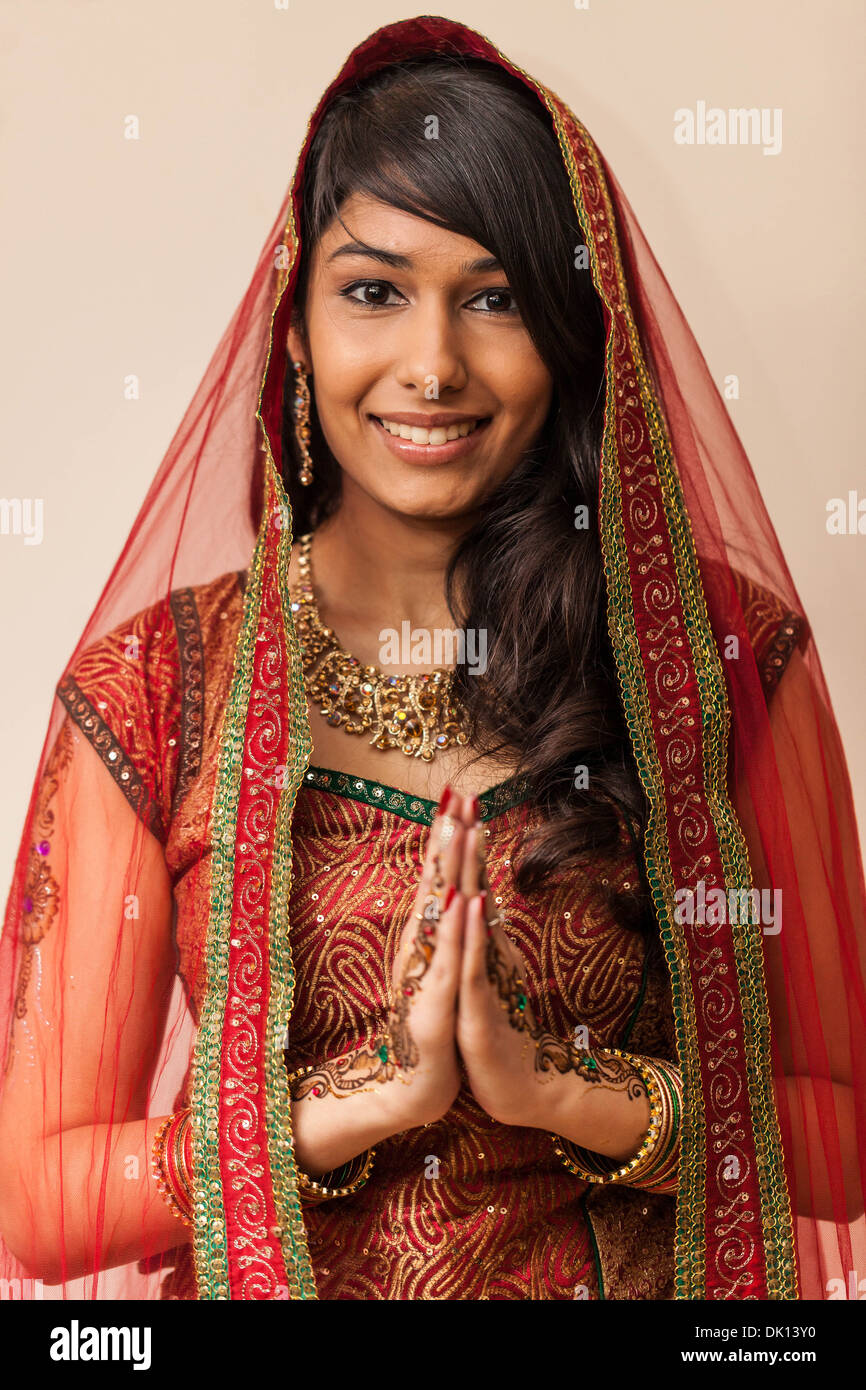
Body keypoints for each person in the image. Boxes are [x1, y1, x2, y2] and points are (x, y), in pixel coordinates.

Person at [0, 15, 862, 1302]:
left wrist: (572, 1095)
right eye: (373, 291)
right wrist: (347, 1109)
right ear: (291, 330)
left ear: (571, 337)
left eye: (497, 297)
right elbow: (37, 1198)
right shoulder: (159, 690)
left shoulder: (720, 667)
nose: (433, 365)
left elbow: (845, 1139)